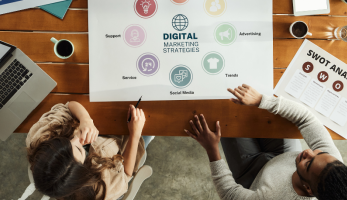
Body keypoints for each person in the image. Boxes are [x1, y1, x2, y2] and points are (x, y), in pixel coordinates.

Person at [184, 84, 347, 200]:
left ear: (308, 189)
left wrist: (212, 149)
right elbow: (306, 119)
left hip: (251, 174)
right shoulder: (332, 165)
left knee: (224, 114)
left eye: (308, 163)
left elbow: (229, 194)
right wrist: (261, 100)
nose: (309, 151)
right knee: (256, 93)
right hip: (282, 155)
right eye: (319, 152)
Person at [25, 101, 153, 200]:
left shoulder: (40, 137)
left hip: (101, 119)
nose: (76, 140)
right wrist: (135, 134)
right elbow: (126, 174)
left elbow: (67, 105)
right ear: (83, 170)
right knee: (150, 124)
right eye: (79, 150)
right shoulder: (102, 190)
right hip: (125, 141)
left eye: (66, 143)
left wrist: (86, 120)